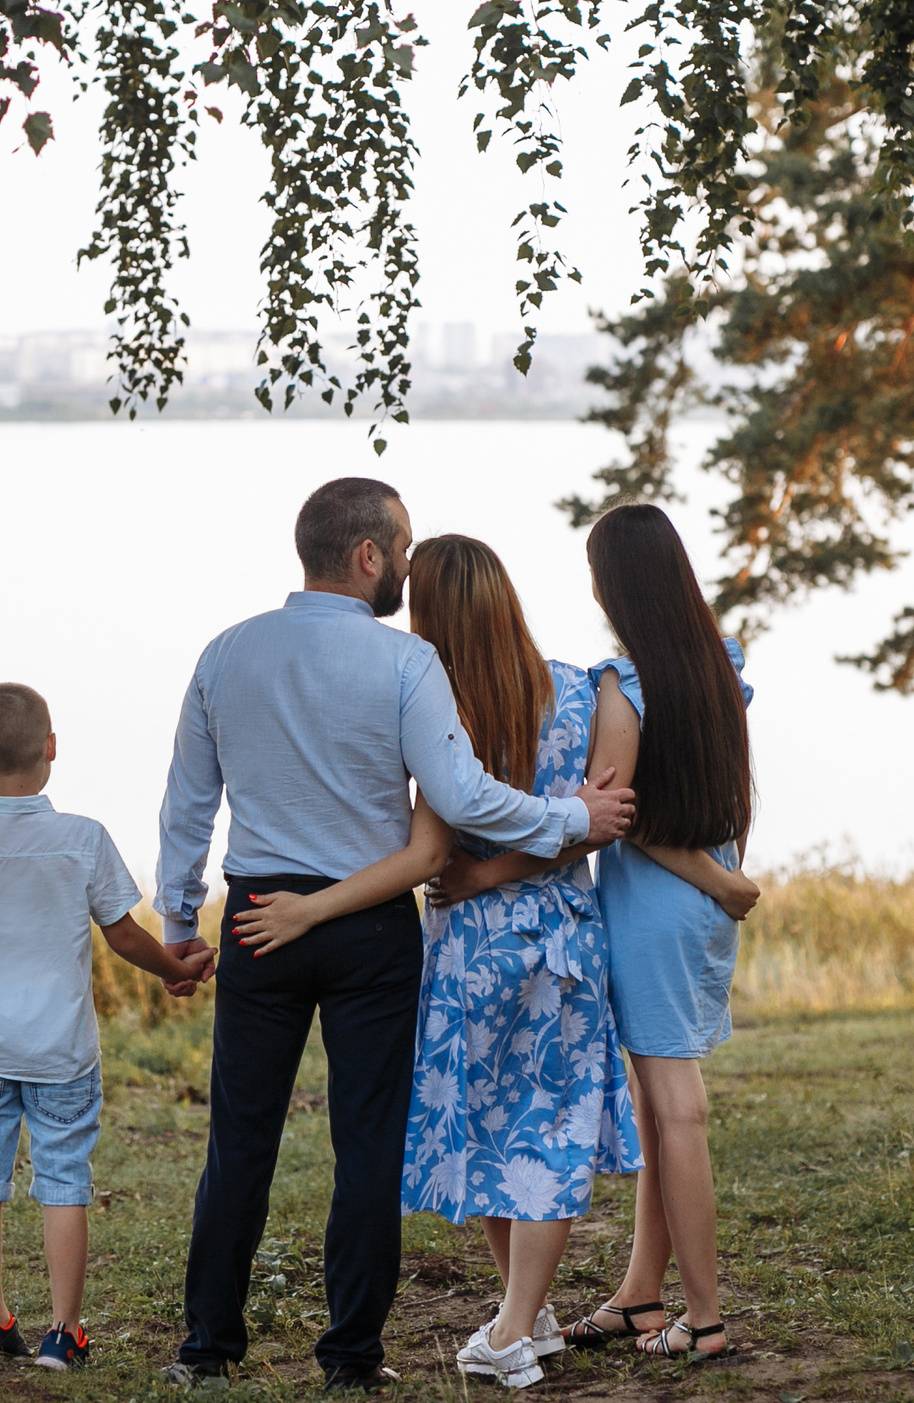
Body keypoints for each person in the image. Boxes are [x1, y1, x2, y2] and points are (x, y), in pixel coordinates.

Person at [155, 478, 639, 1392]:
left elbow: (187, 807)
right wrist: (568, 815)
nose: (409, 570)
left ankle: (208, 1348)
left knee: (240, 1139)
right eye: (403, 551)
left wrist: (181, 922)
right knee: (366, 1141)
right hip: (372, 924)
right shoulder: (407, 666)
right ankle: (351, 1357)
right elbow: (458, 803)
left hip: (260, 915)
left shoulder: (225, 653)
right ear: (369, 556)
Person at [0, 682, 211, 1371]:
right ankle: (63, 1332)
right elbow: (122, 933)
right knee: (62, 1180)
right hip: (60, 1049)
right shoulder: (82, 838)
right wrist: (169, 966)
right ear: (53, 747)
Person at [561, 503, 758, 1363]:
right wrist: (721, 874)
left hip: (656, 907)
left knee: (675, 1108)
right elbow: (735, 792)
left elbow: (615, 817)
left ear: (614, 585)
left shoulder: (622, 685)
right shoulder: (720, 666)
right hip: (702, 904)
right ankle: (643, 1292)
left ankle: (706, 1315)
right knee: (654, 1103)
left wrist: (710, 876)